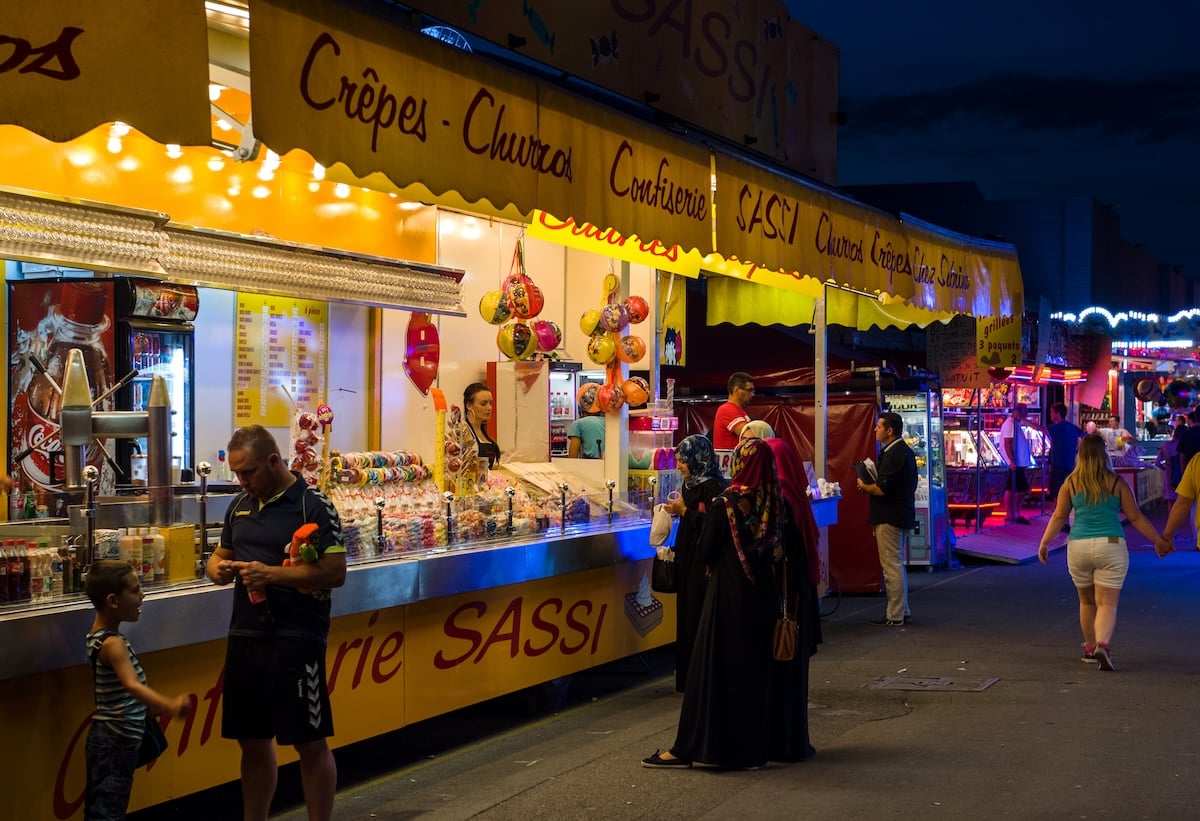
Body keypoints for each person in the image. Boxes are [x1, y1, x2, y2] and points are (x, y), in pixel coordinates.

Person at [205, 425, 347, 821]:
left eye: (248, 472)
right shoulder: (239, 506)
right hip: (246, 635)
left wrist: (270, 575)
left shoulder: (312, 505)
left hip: (296, 638)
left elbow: (335, 572)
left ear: (273, 461)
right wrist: (216, 568)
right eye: (236, 473)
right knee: (251, 741)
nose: (242, 481)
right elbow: (220, 554)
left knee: (309, 742)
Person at [642, 439, 784, 770]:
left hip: (728, 596)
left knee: (715, 671)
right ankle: (750, 751)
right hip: (763, 598)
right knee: (750, 675)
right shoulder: (773, 502)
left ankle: (701, 748)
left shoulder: (727, 502)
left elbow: (707, 550)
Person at [1036, 434, 1170, 671]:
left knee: (1086, 602)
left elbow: (1058, 516)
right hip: (1111, 545)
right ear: (1104, 454)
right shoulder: (1117, 482)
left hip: (1078, 546)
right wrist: (1158, 540)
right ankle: (1103, 645)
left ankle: (1089, 648)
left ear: (1081, 456)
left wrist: (1045, 542)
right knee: (1107, 603)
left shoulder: (1071, 482)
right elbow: (1135, 516)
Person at [85, 560, 190, 820]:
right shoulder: (112, 645)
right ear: (113, 600)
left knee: (103, 803)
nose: (142, 595)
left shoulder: (100, 637)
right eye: (134, 590)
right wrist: (170, 706)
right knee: (108, 809)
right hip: (116, 738)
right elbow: (131, 685)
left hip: (114, 737)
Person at [763, 437, 822, 762]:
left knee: (782, 680)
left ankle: (782, 744)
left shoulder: (780, 502)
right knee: (794, 681)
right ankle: (794, 742)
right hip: (800, 604)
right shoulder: (795, 498)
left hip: (786, 605)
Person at [663, 435, 727, 693]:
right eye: (678, 461)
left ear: (697, 459)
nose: (679, 466)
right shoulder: (689, 485)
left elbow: (713, 526)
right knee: (687, 617)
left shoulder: (712, 487)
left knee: (699, 617)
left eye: (683, 461)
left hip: (704, 563)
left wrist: (684, 512)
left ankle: (702, 679)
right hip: (687, 559)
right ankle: (687, 679)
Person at [856, 411, 917, 626]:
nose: (875, 430)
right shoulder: (901, 451)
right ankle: (902, 610)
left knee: (891, 566)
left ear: (889, 431)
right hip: (899, 513)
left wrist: (864, 485)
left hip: (890, 516)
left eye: (879, 427)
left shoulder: (894, 454)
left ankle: (896, 614)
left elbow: (883, 489)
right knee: (895, 565)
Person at [1046, 402, 1084, 529]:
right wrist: (1076, 449)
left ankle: (1060, 520)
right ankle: (1063, 520)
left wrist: (1023, 419)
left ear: (1058, 414)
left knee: (1058, 494)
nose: (1050, 414)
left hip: (1059, 465)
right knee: (1066, 494)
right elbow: (1085, 435)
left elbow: (1041, 428)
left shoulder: (1057, 428)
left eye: (1052, 412)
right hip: (1069, 465)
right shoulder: (1071, 427)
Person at [1000, 403, 1037, 524]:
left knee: (1011, 488)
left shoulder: (1015, 423)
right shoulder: (1010, 424)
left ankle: (1011, 513)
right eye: (1024, 411)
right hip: (1015, 462)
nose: (1025, 414)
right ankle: (1014, 513)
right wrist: (1011, 460)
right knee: (1020, 488)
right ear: (1016, 411)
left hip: (1018, 462)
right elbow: (1007, 443)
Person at [712, 372, 755, 450]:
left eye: (753, 391)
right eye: (749, 390)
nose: (752, 394)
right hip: (732, 462)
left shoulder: (739, 411)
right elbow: (751, 438)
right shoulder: (727, 409)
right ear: (736, 390)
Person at [463, 382, 500, 468]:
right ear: (469, 405)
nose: (489, 408)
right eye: (483, 404)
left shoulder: (484, 434)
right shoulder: (463, 430)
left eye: (490, 403)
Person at [1154, 424, 1185, 502]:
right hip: (1182, 476)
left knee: (1170, 502)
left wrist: (1166, 468)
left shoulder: (1166, 446)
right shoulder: (1182, 446)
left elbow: (1157, 463)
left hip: (1168, 476)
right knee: (1181, 502)